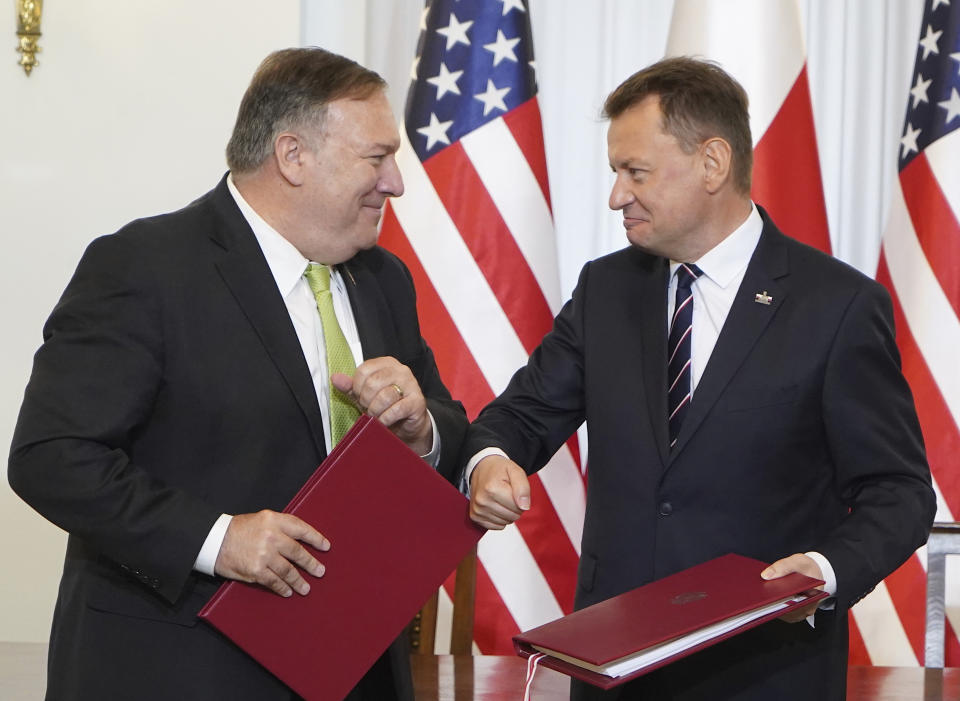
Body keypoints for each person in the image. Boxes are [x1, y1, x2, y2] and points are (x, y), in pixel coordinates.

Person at [464, 57, 935, 701]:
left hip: (769, 672)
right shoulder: (606, 290)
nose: (616, 195)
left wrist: (825, 572)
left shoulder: (837, 307)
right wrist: (491, 460)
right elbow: (519, 416)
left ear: (712, 164)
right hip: (616, 670)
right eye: (614, 172)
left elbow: (899, 491)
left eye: (636, 172)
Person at [8, 47, 467, 700]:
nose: (395, 181)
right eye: (376, 157)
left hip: (356, 669)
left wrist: (422, 427)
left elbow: (444, 422)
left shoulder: (383, 279)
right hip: (180, 667)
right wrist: (217, 538)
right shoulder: (145, 268)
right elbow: (50, 457)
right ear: (293, 155)